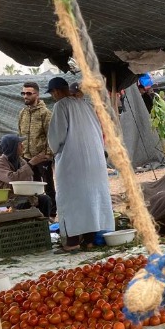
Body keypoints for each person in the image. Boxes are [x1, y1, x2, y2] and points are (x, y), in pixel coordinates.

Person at [46, 77, 115, 251]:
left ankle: (72, 242)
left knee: (72, 201)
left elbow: (56, 138)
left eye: (53, 94)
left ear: (56, 92)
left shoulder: (61, 106)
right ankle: (89, 240)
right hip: (95, 161)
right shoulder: (86, 105)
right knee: (91, 200)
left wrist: (54, 149)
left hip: (72, 163)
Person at [17, 81, 56, 216]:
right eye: (23, 93)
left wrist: (47, 154)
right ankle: (38, 212)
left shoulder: (45, 114)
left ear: (37, 95)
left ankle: (51, 213)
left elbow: (51, 135)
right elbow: (20, 134)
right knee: (32, 186)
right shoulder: (22, 113)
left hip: (42, 157)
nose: (25, 96)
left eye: (29, 93)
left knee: (47, 186)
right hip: (27, 157)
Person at [0, 134, 53, 218]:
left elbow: (28, 182)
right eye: (19, 144)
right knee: (22, 206)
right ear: (12, 148)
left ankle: (42, 225)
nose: (22, 146)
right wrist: (31, 164)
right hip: (5, 203)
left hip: (21, 199)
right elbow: (11, 178)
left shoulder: (21, 161)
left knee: (45, 200)